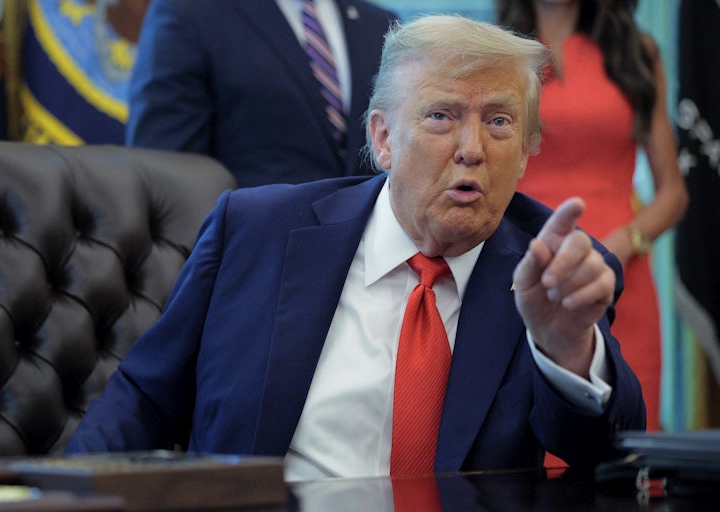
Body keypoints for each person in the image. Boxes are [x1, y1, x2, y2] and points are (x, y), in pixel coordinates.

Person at [66, 15, 645, 480]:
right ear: (384, 138)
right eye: (442, 116)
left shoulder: (553, 276)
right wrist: (59, 497)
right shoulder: (256, 231)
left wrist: (565, 348)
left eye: (499, 122)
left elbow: (607, 455)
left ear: (525, 152)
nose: (472, 148)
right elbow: (143, 399)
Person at [496, 0, 688, 431]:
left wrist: (620, 245)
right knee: (525, 445)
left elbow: (673, 192)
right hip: (522, 275)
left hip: (622, 278)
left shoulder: (635, 52)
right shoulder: (499, 53)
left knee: (626, 449)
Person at [124, 0, 398, 188]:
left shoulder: (381, 25)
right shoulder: (190, 11)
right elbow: (165, 172)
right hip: (247, 257)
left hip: (367, 262)